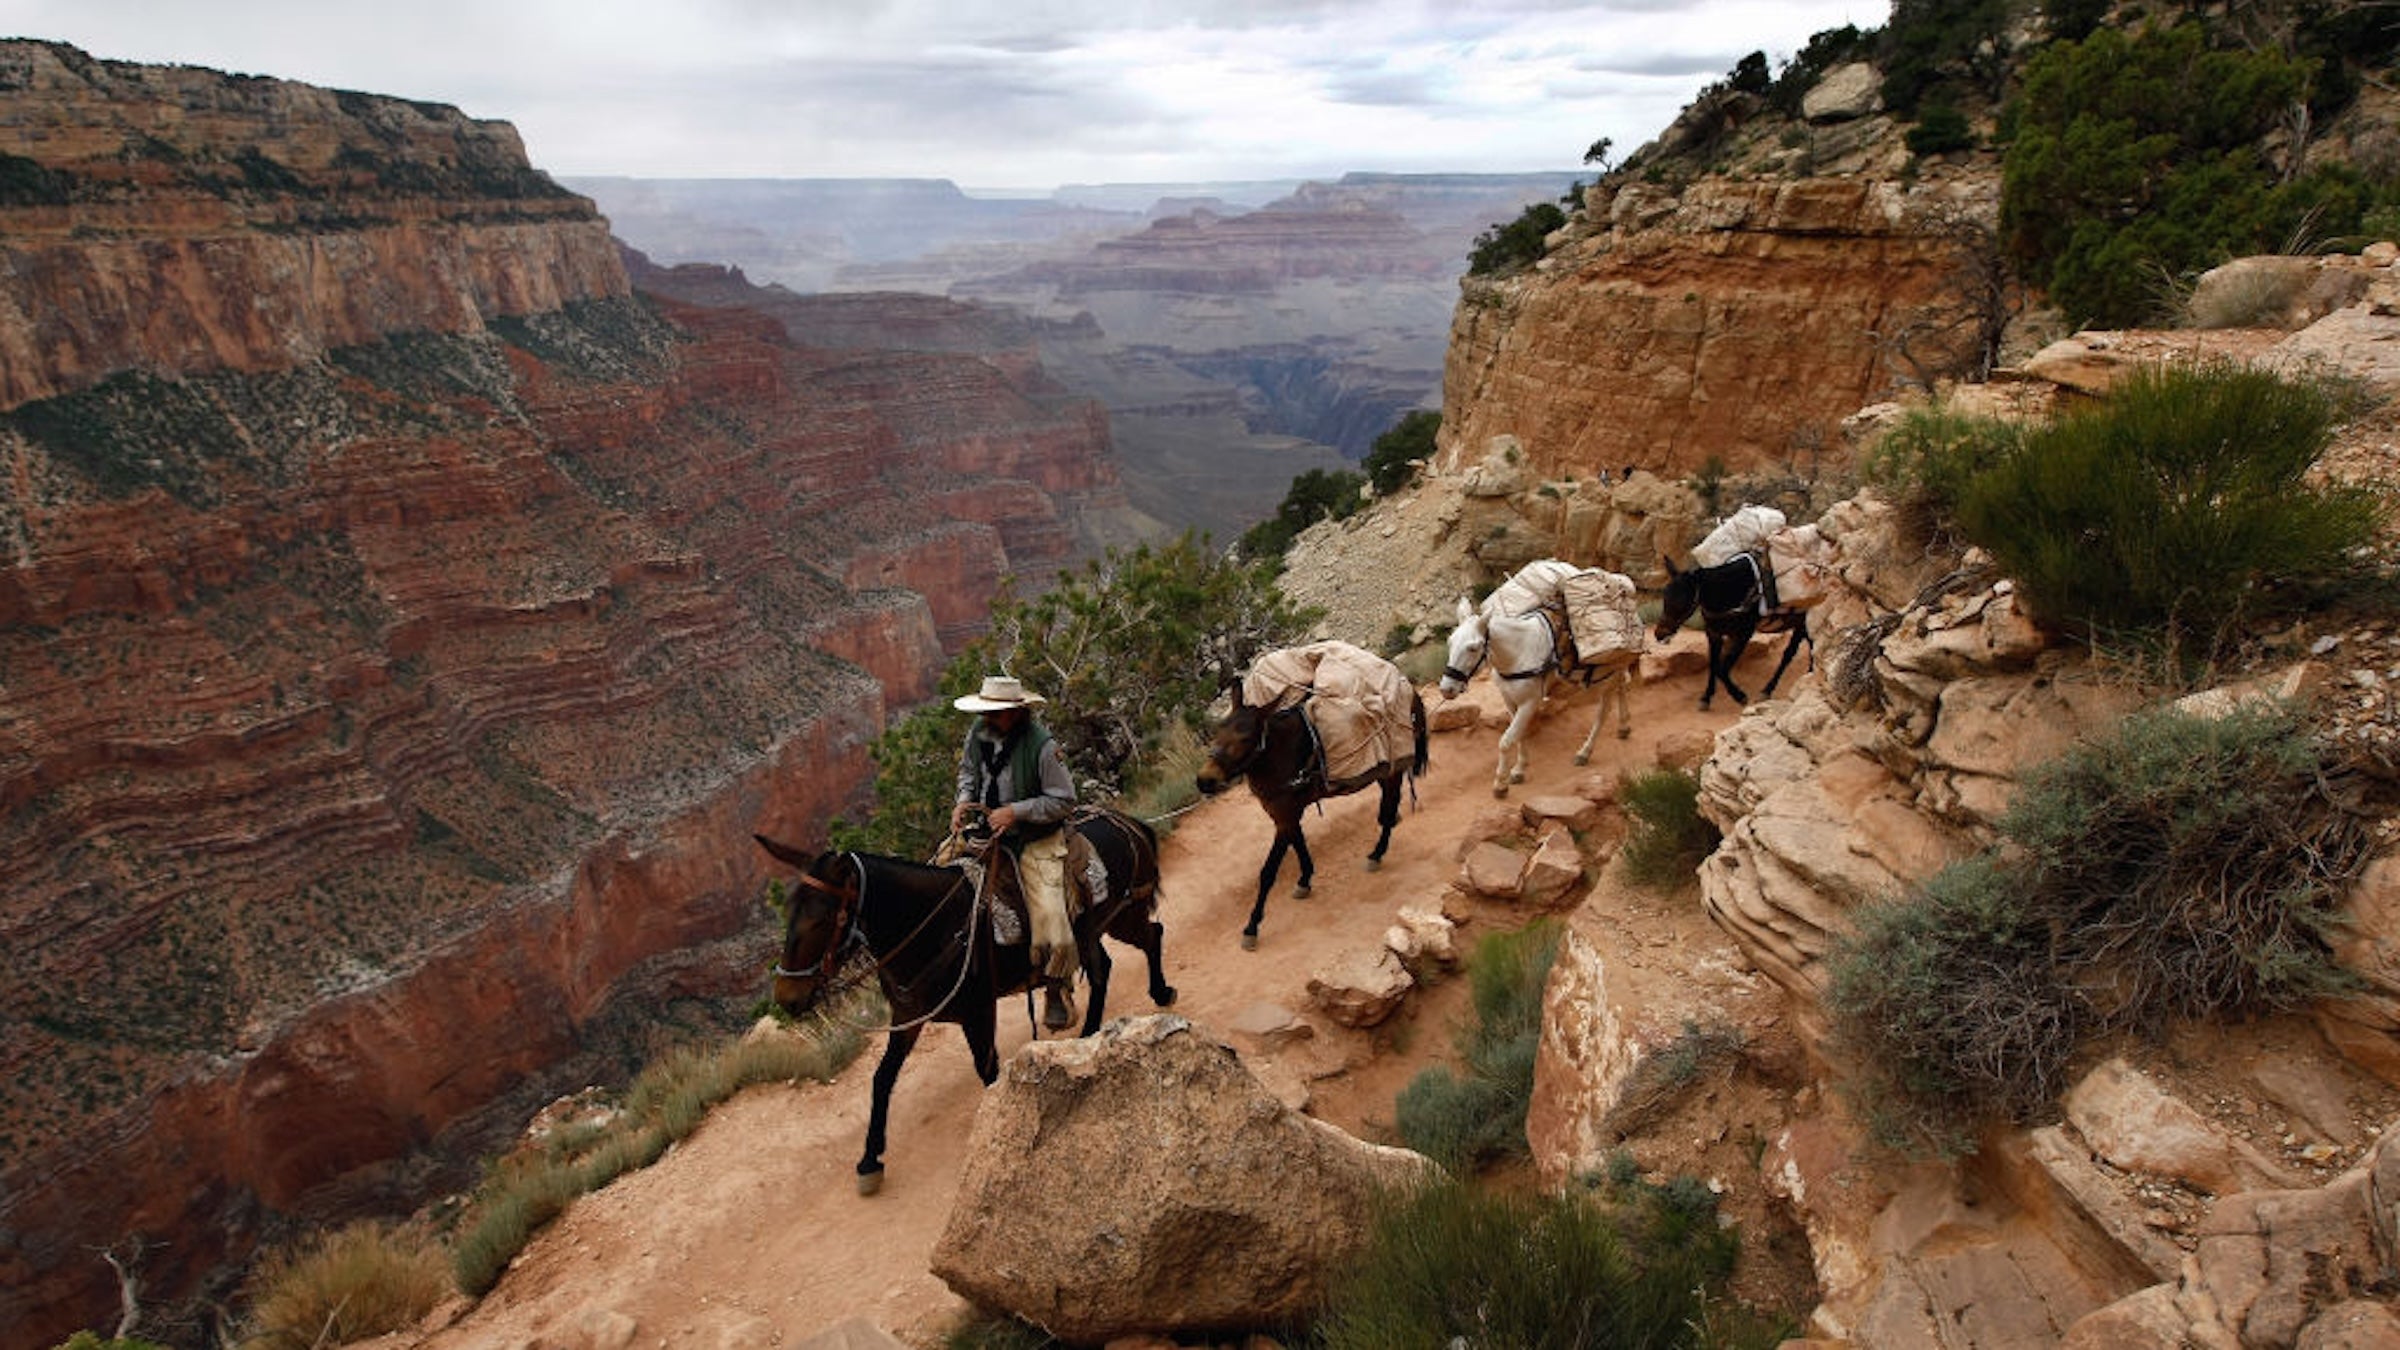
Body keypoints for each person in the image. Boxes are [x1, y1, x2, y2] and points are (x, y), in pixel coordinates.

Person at [951, 674, 1081, 1030]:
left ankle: (1056, 987)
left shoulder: (1042, 745)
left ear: (1016, 712)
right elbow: (967, 773)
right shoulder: (978, 733)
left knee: (1051, 917)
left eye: (996, 713)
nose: (988, 719)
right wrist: (964, 802)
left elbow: (1065, 799)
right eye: (987, 713)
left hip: (1034, 839)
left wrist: (1017, 812)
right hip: (985, 834)